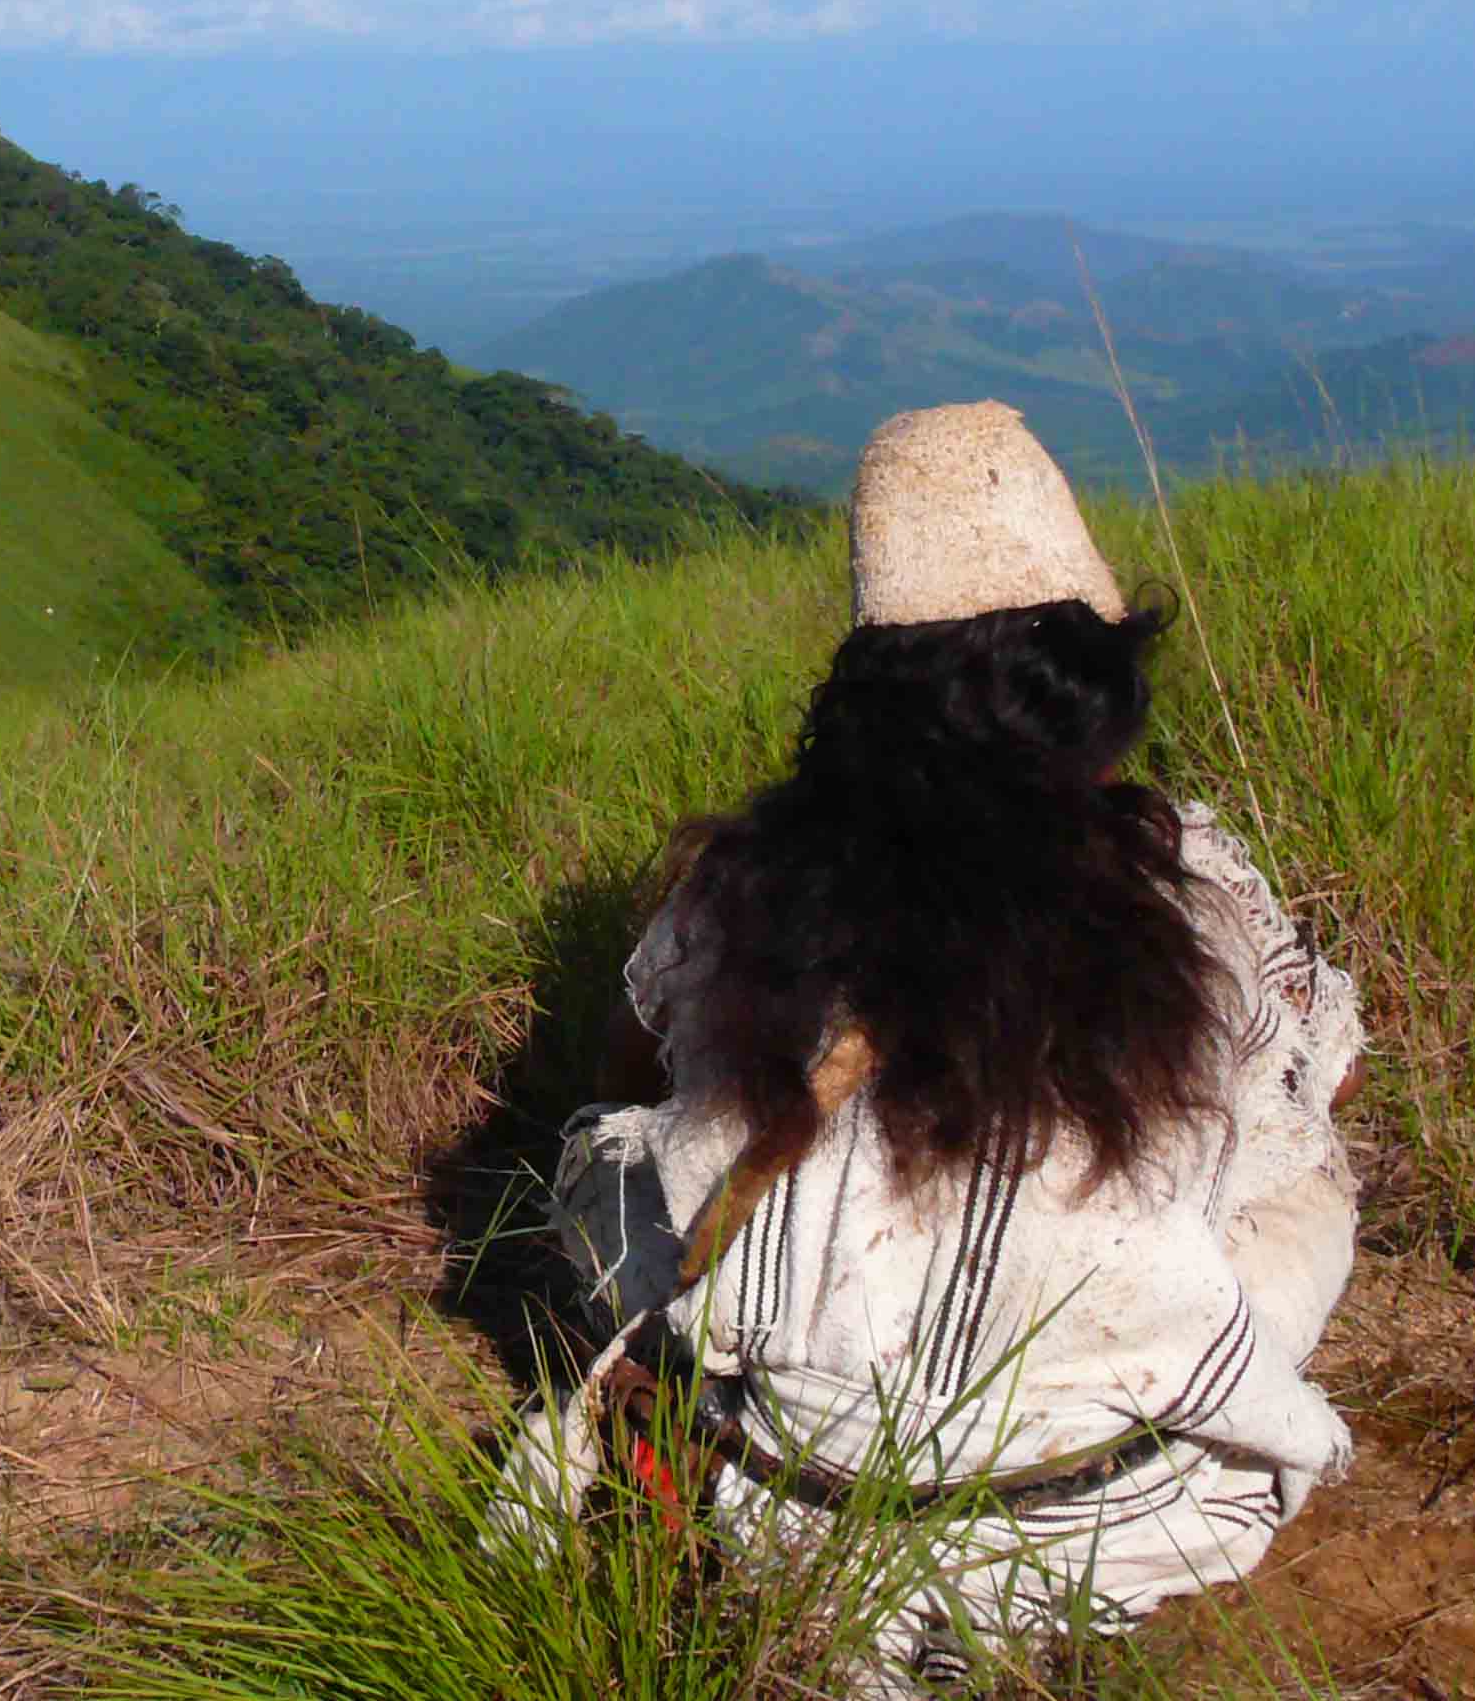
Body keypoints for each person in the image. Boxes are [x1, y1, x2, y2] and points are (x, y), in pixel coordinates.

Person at [490, 400, 1363, 1691]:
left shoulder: (740, 889)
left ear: (860, 701)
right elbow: (1268, 1099)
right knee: (1301, 1155)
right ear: (1097, 694)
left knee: (611, 1159)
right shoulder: (1194, 887)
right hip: (1124, 1507)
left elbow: (630, 1087)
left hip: (790, 1495)